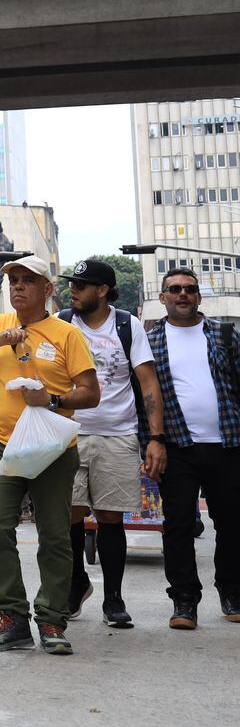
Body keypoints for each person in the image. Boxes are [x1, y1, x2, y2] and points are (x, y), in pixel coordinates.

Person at [0, 255, 99, 654]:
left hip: (53, 447)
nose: (17, 286)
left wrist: (51, 398)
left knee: (54, 535)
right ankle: (12, 617)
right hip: (1, 444)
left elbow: (90, 392)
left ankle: (52, 619)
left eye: (27, 281)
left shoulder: (66, 334)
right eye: (13, 280)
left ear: (47, 290)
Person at [57, 259, 166, 628]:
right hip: (68, 433)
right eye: (72, 283)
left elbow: (148, 384)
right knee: (70, 513)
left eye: (82, 285)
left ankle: (113, 599)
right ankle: (76, 584)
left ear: (103, 290)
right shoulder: (61, 322)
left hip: (117, 434)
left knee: (109, 518)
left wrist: (155, 438)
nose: (73, 290)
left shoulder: (126, 325)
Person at [144, 268, 239, 629]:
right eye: (174, 289)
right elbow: (144, 401)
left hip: (228, 444)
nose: (182, 294)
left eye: (189, 289)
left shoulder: (225, 334)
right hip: (177, 446)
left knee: (232, 523)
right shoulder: (150, 341)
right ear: (163, 297)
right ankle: (184, 600)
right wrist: (151, 443)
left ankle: (232, 592)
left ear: (199, 297)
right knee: (179, 525)